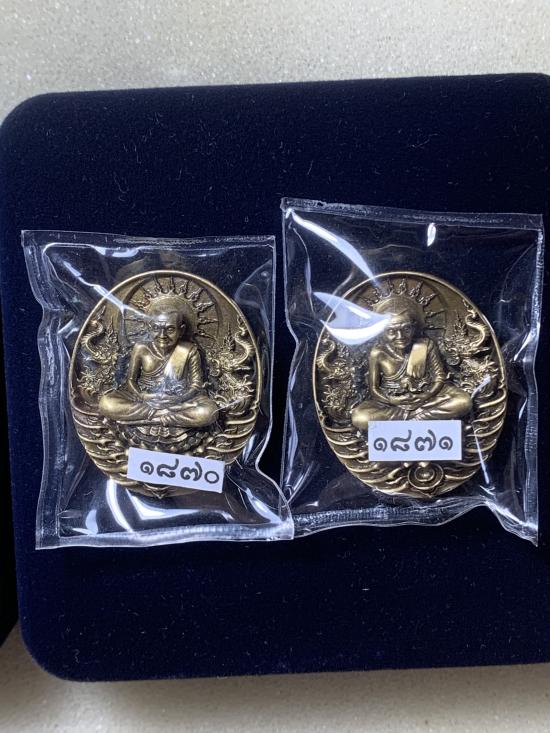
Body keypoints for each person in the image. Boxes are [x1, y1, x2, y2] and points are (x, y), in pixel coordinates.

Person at [351, 295, 472, 431]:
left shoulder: (425, 345)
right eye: (391, 331)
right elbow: (374, 389)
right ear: (382, 332)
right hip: (393, 402)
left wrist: (426, 396)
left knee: (463, 401)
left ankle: (411, 422)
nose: (400, 336)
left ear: (414, 328)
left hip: (426, 396)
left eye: (406, 329)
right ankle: (423, 419)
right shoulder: (378, 353)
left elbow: (439, 377)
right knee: (360, 417)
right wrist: (392, 400)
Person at [99, 295, 218, 428]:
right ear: (149, 328)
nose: (162, 335)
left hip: (178, 398)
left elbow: (196, 385)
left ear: (181, 330)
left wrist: (179, 399)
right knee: (107, 403)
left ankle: (149, 419)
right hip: (145, 397)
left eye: (170, 329)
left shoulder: (188, 350)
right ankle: (164, 415)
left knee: (209, 412)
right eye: (156, 328)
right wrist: (142, 396)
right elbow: (131, 380)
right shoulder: (141, 348)